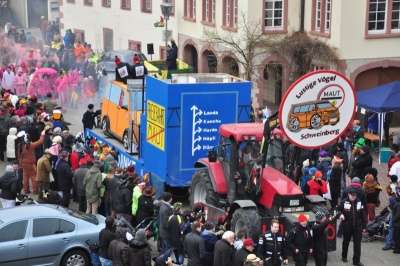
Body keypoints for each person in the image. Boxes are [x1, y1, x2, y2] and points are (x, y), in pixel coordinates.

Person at [336, 189, 367, 266]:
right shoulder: (344, 202)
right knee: (346, 242)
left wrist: (364, 226)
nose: (354, 197)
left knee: (357, 244)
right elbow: (336, 210)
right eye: (352, 196)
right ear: (348, 195)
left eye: (355, 196)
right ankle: (344, 255)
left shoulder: (359, 202)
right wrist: (340, 214)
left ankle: (356, 261)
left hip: (357, 226)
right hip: (347, 225)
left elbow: (362, 215)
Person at [18, 130, 45, 194]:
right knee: (34, 176)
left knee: (25, 177)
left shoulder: (20, 146)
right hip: (31, 163)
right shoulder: (31, 145)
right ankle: (35, 190)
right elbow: (40, 141)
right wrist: (42, 134)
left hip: (23, 163)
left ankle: (26, 190)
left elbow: (19, 156)